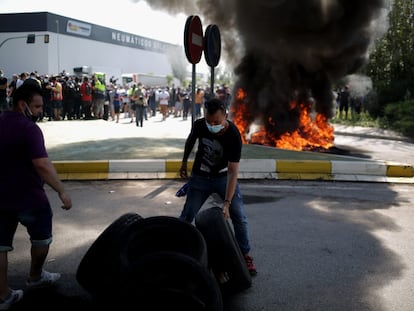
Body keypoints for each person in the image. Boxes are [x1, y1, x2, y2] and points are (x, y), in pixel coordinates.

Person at [0, 83, 72, 310]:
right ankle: (35, 276)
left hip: (0, 197)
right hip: (29, 197)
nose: (41, 111)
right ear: (23, 105)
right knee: (41, 238)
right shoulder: (29, 129)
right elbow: (41, 164)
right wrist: (61, 190)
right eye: (37, 106)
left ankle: (3, 295)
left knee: (0, 246)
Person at [178, 98, 257, 276]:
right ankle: (178, 251)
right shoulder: (200, 125)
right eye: (209, 121)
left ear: (226, 116)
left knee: (239, 216)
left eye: (216, 122)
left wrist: (227, 203)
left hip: (223, 178)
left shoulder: (234, 135)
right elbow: (191, 141)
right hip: (200, 177)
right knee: (187, 215)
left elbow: (232, 172)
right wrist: (184, 163)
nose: (212, 125)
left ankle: (244, 255)